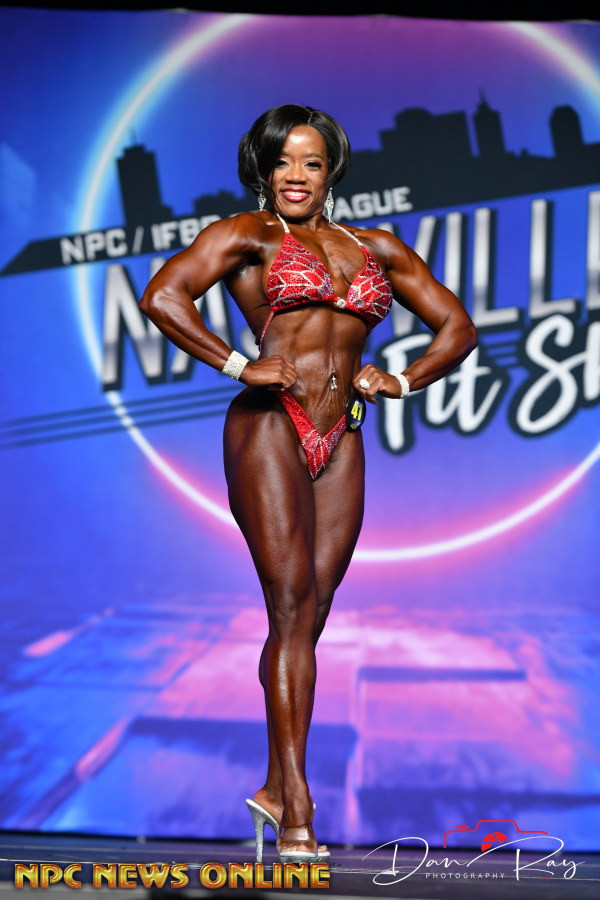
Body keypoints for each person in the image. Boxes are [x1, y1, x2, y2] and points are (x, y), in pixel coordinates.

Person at [139, 104, 478, 862]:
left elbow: (458, 327)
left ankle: (271, 783)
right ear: (263, 170)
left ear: (332, 172)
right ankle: (298, 804)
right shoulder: (248, 235)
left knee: (309, 614)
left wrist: (404, 378)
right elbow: (162, 295)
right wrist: (238, 364)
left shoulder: (377, 247)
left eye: (312, 162)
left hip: (343, 432)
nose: (297, 175)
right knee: (291, 605)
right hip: (270, 425)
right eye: (283, 162)